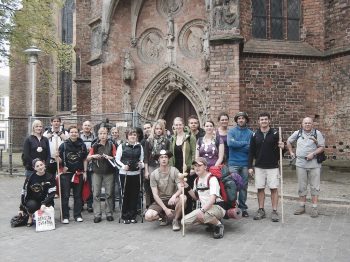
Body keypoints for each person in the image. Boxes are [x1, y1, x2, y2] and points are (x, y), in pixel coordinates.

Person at [248, 112, 285, 222]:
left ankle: (274, 211)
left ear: (269, 120)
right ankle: (261, 209)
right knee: (260, 188)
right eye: (261, 119)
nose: (263, 121)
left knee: (274, 188)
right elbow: (251, 152)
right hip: (259, 166)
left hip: (273, 166)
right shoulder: (255, 135)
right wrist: (250, 166)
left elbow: (281, 153)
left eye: (265, 119)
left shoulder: (276, 133)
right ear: (258, 121)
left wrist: (283, 147)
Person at [286, 117, 325, 218]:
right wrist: (291, 152)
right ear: (302, 124)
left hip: (314, 163)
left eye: (309, 123)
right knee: (302, 186)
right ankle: (302, 206)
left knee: (314, 186)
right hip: (300, 163)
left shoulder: (317, 133)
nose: (307, 125)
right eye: (305, 123)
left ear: (312, 124)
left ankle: (314, 208)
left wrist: (313, 153)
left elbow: (321, 147)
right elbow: (289, 141)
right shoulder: (298, 133)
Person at [182, 157, 225, 239]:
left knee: (204, 216)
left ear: (205, 167)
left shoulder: (212, 179)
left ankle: (218, 225)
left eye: (199, 165)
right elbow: (196, 198)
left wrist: (202, 211)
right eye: (195, 165)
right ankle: (209, 221)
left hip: (217, 207)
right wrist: (187, 187)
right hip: (205, 209)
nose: (197, 168)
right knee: (183, 221)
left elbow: (212, 200)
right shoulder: (196, 180)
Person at [144, 150, 185, 231]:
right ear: (158, 160)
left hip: (172, 200)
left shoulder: (174, 170)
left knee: (183, 197)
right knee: (148, 216)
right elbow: (155, 195)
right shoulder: (154, 174)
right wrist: (165, 209)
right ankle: (163, 217)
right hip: (160, 200)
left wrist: (174, 195)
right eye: (161, 157)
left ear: (168, 159)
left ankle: (175, 220)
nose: (164, 159)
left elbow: (181, 188)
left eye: (166, 157)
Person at [58, 126, 88, 224]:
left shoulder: (82, 145)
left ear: (78, 133)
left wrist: (84, 171)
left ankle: (77, 215)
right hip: (66, 174)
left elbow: (84, 159)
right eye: (72, 132)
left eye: (75, 132)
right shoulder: (63, 145)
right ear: (69, 133)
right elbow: (59, 160)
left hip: (78, 173)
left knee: (77, 195)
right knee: (65, 195)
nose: (74, 134)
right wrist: (58, 160)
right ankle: (65, 216)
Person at [87, 127, 117, 223]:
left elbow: (116, 157)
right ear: (98, 135)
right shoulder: (95, 145)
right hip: (97, 172)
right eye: (101, 133)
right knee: (96, 193)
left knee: (109, 193)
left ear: (107, 134)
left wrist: (110, 157)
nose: (103, 135)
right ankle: (97, 214)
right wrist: (93, 156)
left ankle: (109, 213)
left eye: (104, 133)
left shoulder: (111, 144)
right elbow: (88, 158)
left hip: (109, 172)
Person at [115, 129, 144, 224]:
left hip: (136, 174)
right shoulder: (122, 146)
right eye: (131, 135)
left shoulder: (140, 146)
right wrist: (123, 166)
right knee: (125, 194)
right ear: (127, 136)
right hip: (124, 174)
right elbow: (117, 160)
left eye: (134, 135)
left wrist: (141, 165)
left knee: (134, 195)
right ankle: (125, 215)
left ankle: (133, 215)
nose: (132, 136)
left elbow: (142, 160)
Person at [227, 112, 253, 217]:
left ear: (246, 120)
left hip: (245, 163)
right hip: (233, 163)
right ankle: (232, 206)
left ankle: (243, 207)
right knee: (232, 186)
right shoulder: (231, 131)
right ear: (236, 120)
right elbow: (230, 144)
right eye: (239, 118)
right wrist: (245, 143)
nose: (241, 120)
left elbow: (250, 148)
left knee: (243, 187)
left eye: (243, 118)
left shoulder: (250, 133)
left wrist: (238, 144)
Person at [169, 117, 196, 214]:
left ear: (183, 125)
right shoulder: (172, 138)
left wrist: (193, 167)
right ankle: (179, 213)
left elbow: (194, 153)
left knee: (186, 189)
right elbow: (171, 155)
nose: (178, 126)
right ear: (173, 126)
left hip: (187, 168)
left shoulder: (189, 137)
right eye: (176, 125)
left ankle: (188, 213)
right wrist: (171, 168)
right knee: (178, 189)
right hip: (176, 168)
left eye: (180, 124)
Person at [18, 158, 56, 227]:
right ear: (34, 168)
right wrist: (21, 208)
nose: (40, 167)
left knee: (49, 208)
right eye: (37, 166)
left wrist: (44, 203)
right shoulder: (30, 178)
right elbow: (24, 192)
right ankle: (30, 216)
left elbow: (52, 193)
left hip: (46, 201)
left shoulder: (50, 177)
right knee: (31, 205)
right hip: (33, 201)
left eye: (41, 165)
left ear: (44, 165)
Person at [144, 120, 171, 208]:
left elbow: (168, 155)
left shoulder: (166, 141)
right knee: (151, 187)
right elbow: (146, 156)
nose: (158, 130)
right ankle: (149, 206)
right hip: (151, 165)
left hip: (162, 166)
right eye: (157, 129)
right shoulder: (149, 141)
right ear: (154, 130)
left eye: (160, 129)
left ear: (163, 130)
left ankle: (161, 207)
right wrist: (146, 171)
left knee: (161, 187)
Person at [80, 120, 96, 213]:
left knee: (90, 186)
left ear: (91, 127)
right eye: (85, 125)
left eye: (88, 125)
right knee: (80, 186)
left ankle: (90, 204)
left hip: (91, 165)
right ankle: (81, 203)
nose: (87, 127)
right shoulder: (78, 137)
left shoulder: (94, 137)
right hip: (80, 165)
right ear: (82, 127)